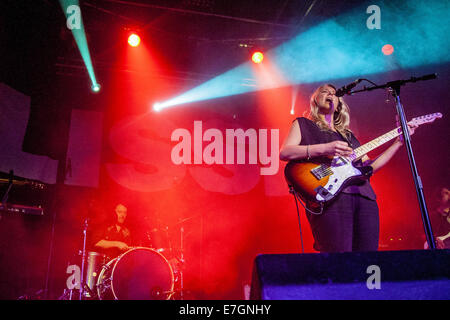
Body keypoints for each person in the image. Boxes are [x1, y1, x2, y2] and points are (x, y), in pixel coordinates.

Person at [280, 84, 417, 253]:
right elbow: (285, 152)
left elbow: (370, 166)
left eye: (334, 93)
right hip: (331, 197)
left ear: (339, 104)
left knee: (367, 259)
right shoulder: (303, 124)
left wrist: (399, 142)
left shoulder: (348, 136)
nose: (330, 94)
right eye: (324, 92)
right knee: (339, 258)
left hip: (365, 198)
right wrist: (326, 148)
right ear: (314, 100)